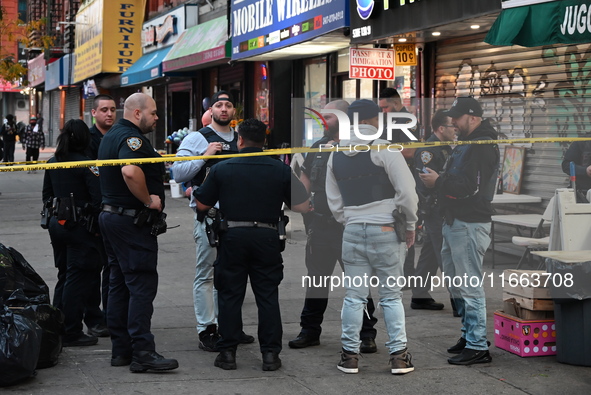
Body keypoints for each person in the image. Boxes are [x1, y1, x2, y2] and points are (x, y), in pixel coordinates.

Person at [194, 118, 309, 371]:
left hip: (233, 236)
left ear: (240, 140)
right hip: (267, 238)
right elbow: (301, 206)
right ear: (264, 141)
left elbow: (202, 204)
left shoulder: (223, 168)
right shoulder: (279, 169)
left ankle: (227, 354)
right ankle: (270, 355)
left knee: (229, 296)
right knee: (267, 296)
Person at [326, 99, 419, 375]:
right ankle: (399, 357)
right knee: (390, 296)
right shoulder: (385, 149)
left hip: (352, 230)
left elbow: (334, 202)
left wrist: (351, 220)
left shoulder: (336, 154)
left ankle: (349, 357)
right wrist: (411, 224)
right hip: (386, 230)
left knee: (354, 297)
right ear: (374, 120)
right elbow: (407, 193)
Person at [288, 100, 379, 353]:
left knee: (358, 281)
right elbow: (305, 179)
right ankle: (309, 330)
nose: (322, 121)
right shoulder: (317, 147)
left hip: (350, 226)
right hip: (321, 226)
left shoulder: (361, 145)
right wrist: (299, 202)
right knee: (317, 281)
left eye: (327, 116)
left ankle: (366, 333)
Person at [98, 93, 178, 373]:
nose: (156, 118)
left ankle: (122, 350)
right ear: (136, 113)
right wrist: (149, 201)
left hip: (112, 217)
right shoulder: (132, 139)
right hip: (130, 222)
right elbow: (131, 172)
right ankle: (143, 350)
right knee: (141, 286)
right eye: (153, 113)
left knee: (119, 284)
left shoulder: (112, 134)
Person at [419, 97, 499, 366]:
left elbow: (470, 188)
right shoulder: (467, 144)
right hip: (454, 221)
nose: (452, 121)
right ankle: (469, 336)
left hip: (469, 223)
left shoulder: (481, 146)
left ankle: (477, 345)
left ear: (473, 117)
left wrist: (439, 180)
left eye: (457, 117)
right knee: (455, 283)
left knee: (468, 285)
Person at [172, 91, 253, 351]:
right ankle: (207, 329)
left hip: (239, 218)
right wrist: (205, 155)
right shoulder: (198, 137)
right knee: (206, 275)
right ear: (210, 111)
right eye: (219, 105)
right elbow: (177, 172)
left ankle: (229, 326)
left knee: (232, 276)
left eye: (229, 105)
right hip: (209, 218)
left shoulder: (241, 138)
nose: (224, 109)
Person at [42, 119, 103, 347]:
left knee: (64, 276)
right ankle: (71, 330)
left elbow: (47, 196)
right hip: (81, 228)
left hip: (58, 224)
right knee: (77, 279)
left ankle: (56, 326)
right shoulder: (88, 165)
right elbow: (98, 199)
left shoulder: (53, 162)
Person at [410, 110, 455, 312]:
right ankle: (458, 300)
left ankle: (419, 295)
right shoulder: (427, 151)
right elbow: (426, 182)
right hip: (435, 208)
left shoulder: (445, 147)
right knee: (445, 253)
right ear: (440, 128)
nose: (455, 129)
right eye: (451, 125)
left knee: (430, 251)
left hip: (442, 206)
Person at [84, 94, 118, 338]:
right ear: (93, 112)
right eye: (104, 110)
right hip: (94, 211)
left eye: (113, 109)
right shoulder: (88, 140)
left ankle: (111, 315)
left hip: (115, 211)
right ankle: (94, 318)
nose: (109, 114)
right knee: (92, 269)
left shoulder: (119, 136)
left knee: (112, 268)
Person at [379, 87, 417, 284]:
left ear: (395, 103)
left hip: (403, 178)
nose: (383, 111)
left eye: (385, 107)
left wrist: (384, 152)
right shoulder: (390, 120)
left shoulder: (405, 121)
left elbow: (411, 151)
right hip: (389, 179)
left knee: (403, 227)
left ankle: (407, 275)